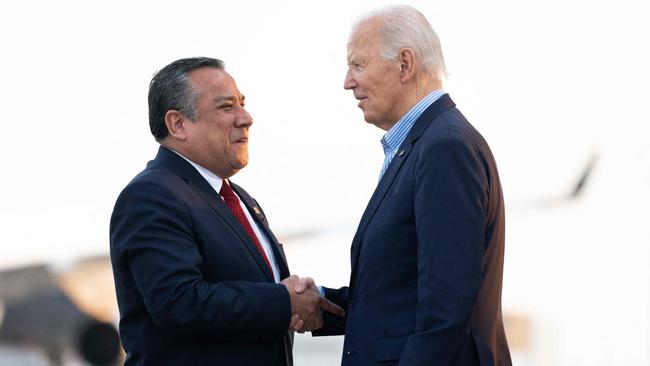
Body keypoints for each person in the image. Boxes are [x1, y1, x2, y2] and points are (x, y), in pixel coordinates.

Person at [307, 5, 512, 365]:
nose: (347, 81)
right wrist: (321, 302)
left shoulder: (444, 148)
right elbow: (402, 296)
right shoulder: (424, 145)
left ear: (404, 64)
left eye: (358, 64)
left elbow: (445, 311)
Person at [109, 57, 343, 366]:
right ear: (178, 124)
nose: (246, 118)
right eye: (226, 107)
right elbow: (179, 303)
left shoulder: (238, 198)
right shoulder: (151, 195)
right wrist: (284, 302)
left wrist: (312, 302)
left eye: (242, 104)